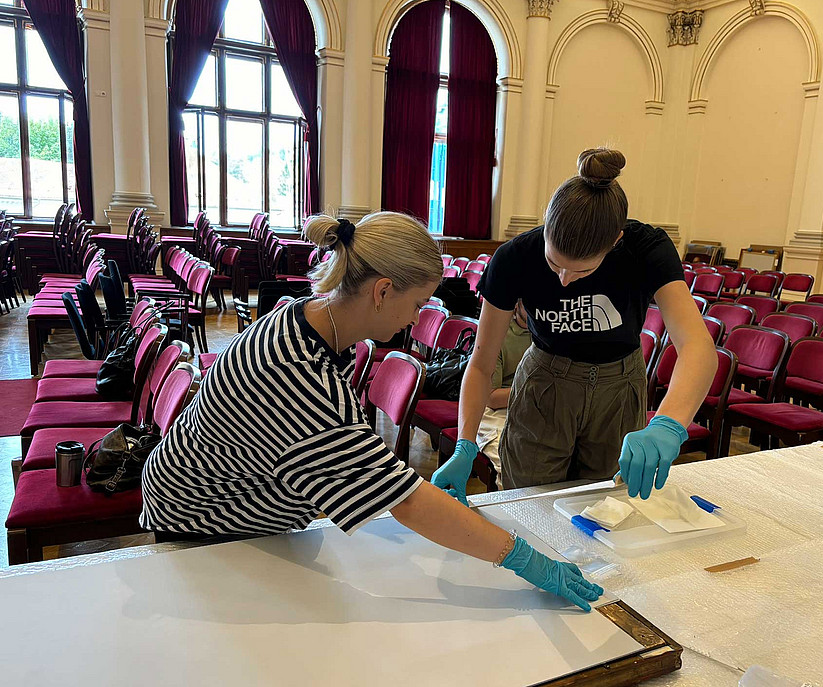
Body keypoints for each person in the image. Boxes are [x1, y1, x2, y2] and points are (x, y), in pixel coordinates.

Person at [140, 211, 603, 611]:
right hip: (205, 527)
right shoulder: (299, 378)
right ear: (382, 291)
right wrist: (525, 559)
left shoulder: (304, 317)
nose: (415, 321)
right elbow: (405, 502)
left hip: (226, 504)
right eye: (418, 304)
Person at [432, 148, 717, 501]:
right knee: (529, 503)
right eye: (554, 264)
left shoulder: (646, 248)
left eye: (582, 270)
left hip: (618, 387)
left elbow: (697, 346)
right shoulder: (515, 257)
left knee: (605, 506)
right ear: (545, 225)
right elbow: (481, 362)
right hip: (545, 384)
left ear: (615, 241)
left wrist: (669, 423)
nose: (565, 280)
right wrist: (465, 442)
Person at [475, 300, 531, 488]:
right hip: (493, 411)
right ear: (517, 304)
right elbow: (491, 398)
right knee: (508, 462)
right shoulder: (498, 336)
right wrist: (531, 392)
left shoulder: (547, 334)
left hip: (531, 405)